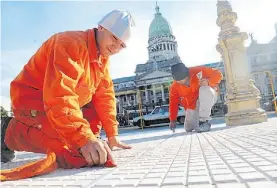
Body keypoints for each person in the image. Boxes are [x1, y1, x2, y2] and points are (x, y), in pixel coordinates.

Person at [1, 9, 135, 170]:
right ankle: (9, 132)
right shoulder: (70, 43)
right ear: (101, 27)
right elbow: (60, 95)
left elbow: (105, 96)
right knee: (71, 153)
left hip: (58, 106)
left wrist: (112, 135)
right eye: (114, 37)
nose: (116, 47)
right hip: (33, 103)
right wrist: (83, 139)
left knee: (88, 148)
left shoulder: (102, 59)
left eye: (122, 45)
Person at [169, 63, 223, 133]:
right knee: (188, 128)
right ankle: (199, 123)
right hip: (193, 106)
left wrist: (208, 82)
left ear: (187, 75)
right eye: (177, 80)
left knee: (204, 89)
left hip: (208, 96)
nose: (179, 82)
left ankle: (204, 122)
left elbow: (218, 75)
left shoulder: (198, 70)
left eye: (181, 80)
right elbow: (173, 103)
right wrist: (172, 120)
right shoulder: (174, 86)